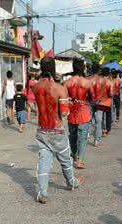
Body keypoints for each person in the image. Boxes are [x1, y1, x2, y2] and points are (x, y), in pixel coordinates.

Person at [32, 59, 83, 204]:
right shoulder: (60, 89)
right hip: (57, 130)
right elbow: (65, 113)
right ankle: (72, 182)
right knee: (65, 160)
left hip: (42, 129)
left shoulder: (35, 87)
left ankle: (43, 192)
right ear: (54, 69)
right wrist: (68, 103)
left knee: (44, 161)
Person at [65, 59, 92, 169]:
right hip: (83, 111)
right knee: (83, 137)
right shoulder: (87, 82)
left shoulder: (67, 82)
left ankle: (75, 156)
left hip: (72, 112)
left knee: (73, 135)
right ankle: (80, 161)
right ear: (83, 68)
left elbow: (64, 98)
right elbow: (92, 98)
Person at [89, 63, 111, 146]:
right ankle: (97, 140)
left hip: (90, 102)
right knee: (99, 120)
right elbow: (109, 93)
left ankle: (86, 135)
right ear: (99, 70)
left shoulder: (88, 79)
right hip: (100, 102)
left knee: (89, 119)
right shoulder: (104, 80)